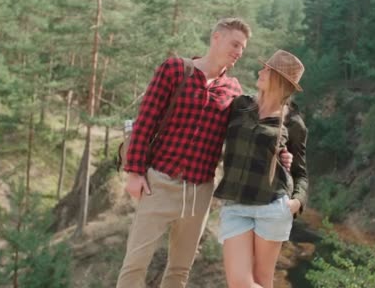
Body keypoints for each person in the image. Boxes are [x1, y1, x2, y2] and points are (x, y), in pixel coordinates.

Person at [116, 18, 291, 288]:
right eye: (234, 44)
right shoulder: (175, 69)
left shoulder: (233, 91)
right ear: (216, 38)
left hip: (200, 192)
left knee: (179, 270)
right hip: (159, 183)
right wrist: (134, 173)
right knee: (135, 264)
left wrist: (279, 155)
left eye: (243, 48)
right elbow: (145, 121)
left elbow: (250, 134)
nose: (239, 52)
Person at [213, 49, 308, 288]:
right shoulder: (240, 105)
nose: (260, 71)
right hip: (235, 204)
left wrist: (297, 202)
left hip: (272, 206)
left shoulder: (293, 123)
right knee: (239, 282)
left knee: (263, 280)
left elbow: (300, 172)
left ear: (279, 79)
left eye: (267, 70)